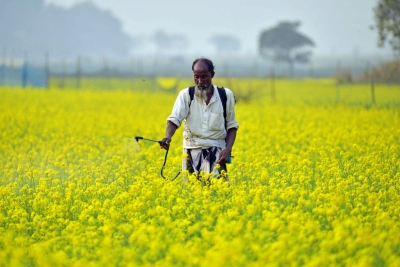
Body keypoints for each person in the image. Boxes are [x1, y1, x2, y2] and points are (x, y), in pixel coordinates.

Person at [161, 58, 239, 182]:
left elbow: (232, 126)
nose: (200, 81)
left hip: (217, 151)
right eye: (196, 77)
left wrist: (228, 148)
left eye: (204, 77)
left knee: (217, 192)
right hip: (191, 149)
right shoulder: (186, 95)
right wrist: (168, 136)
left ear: (212, 75)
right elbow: (174, 119)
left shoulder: (225, 95)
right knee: (192, 193)